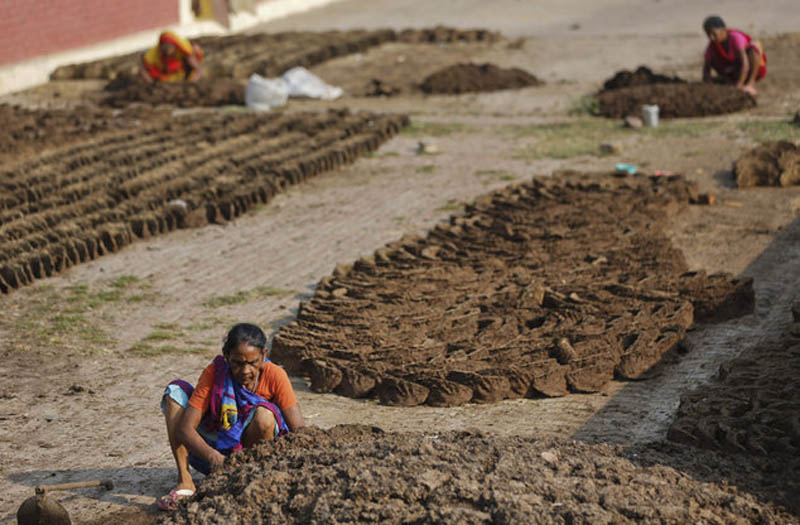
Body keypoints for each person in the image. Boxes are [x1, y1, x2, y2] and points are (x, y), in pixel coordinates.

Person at [158, 323, 305, 510]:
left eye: (252, 363)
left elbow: (299, 431)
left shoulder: (275, 375)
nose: (245, 371)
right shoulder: (215, 373)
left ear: (264, 355)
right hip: (216, 450)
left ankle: (250, 478)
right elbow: (185, 428)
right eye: (237, 363)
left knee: (264, 416)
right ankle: (186, 482)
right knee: (175, 393)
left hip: (255, 453)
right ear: (226, 356)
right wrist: (214, 457)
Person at [701, 16, 766, 95]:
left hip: (749, 70)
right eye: (708, 35)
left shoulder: (735, 37)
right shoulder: (712, 47)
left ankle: (750, 84)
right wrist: (707, 85)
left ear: (724, 30)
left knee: (755, 46)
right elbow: (706, 69)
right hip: (733, 73)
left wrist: (738, 87)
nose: (711, 37)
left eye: (714, 34)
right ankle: (732, 82)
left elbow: (745, 65)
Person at [139, 30, 205, 84]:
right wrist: (153, 84)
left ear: (175, 47)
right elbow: (143, 70)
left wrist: (192, 82)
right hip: (165, 78)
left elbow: (198, 70)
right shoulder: (153, 54)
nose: (168, 51)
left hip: (182, 73)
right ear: (161, 48)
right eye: (165, 50)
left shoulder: (184, 49)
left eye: (170, 48)